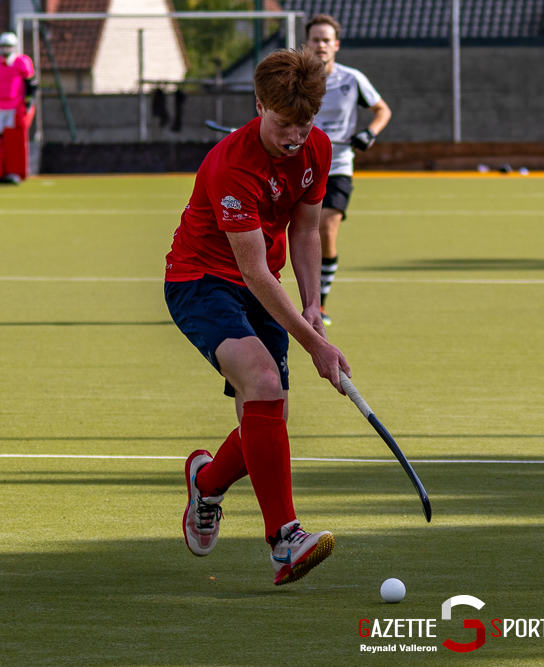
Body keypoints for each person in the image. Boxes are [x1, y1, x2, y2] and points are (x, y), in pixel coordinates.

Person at [164, 48, 351, 586]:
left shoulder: (316, 146)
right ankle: (285, 540)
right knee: (264, 382)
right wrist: (317, 346)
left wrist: (314, 305)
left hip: (257, 284)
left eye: (305, 123)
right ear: (259, 106)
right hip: (202, 281)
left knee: (268, 420)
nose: (295, 135)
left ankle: (208, 483)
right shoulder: (232, 165)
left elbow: (307, 229)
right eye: (284, 123)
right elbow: (253, 274)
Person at [305, 14, 391, 326]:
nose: (321, 45)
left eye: (326, 40)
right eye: (315, 39)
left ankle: (320, 305)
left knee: (326, 230)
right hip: (300, 165)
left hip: (338, 165)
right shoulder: (295, 80)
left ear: (336, 45)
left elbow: (382, 110)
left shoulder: (352, 79)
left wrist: (370, 132)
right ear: (307, 44)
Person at [0, 32, 36, 184]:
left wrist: (28, 101)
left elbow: (30, 84)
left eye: (8, 47)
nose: (5, 50)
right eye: (3, 47)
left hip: (14, 106)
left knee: (12, 139)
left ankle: (13, 172)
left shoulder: (22, 62)